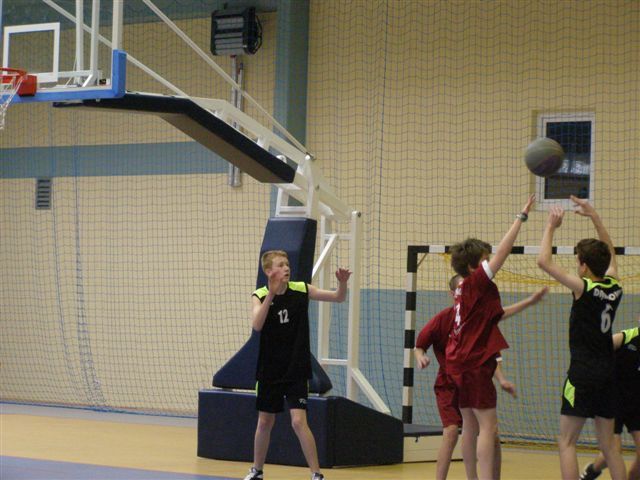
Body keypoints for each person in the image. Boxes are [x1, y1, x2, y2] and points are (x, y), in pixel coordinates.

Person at [415, 273, 546, 479]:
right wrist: (420, 356)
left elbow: (489, 354)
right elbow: (419, 345)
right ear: (452, 294)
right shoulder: (444, 318)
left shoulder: (479, 318)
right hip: (449, 382)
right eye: (461, 289)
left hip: (470, 378)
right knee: (453, 432)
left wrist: (502, 379)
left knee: (489, 432)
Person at [444, 194, 535, 480]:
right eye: (484, 260)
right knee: (488, 427)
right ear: (474, 267)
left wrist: (530, 302)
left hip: (458, 363)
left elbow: (496, 316)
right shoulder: (476, 283)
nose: (489, 263)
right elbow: (503, 252)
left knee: (470, 426)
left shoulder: (466, 290)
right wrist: (521, 217)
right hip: (473, 363)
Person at [537, 195, 626, 480]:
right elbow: (610, 255)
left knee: (566, 442)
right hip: (607, 372)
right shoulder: (614, 286)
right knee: (609, 446)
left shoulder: (583, 288)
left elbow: (543, 261)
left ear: (584, 266)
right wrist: (595, 217)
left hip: (582, 373)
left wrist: (551, 226)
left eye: (578, 261)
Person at [243, 250, 351, 480]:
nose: (286, 268)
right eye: (280, 265)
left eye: (287, 264)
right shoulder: (260, 295)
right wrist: (271, 295)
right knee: (265, 421)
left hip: (296, 368)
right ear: (268, 271)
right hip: (270, 370)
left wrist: (342, 284)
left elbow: (338, 297)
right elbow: (257, 325)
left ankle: (316, 474)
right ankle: (257, 470)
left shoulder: (302, 289)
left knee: (299, 421)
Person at [579, 316, 640, 480]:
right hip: (613, 401)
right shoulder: (627, 337)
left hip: (636, 405)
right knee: (613, 451)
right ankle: (592, 471)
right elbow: (598, 349)